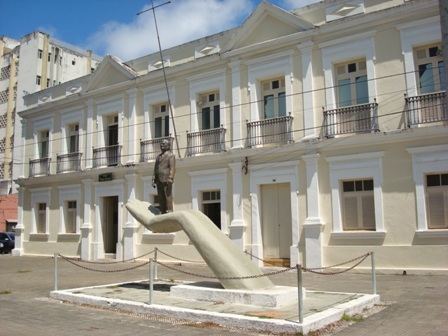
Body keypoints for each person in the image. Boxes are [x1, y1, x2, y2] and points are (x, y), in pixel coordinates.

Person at [153, 139, 176, 213]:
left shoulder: (170, 155)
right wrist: (154, 179)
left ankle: (170, 211)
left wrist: (170, 178)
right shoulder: (158, 157)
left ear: (168, 146)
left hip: (166, 179)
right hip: (158, 179)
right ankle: (162, 211)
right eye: (161, 144)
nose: (161, 145)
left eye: (163, 144)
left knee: (168, 196)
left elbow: (172, 167)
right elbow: (155, 169)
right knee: (160, 197)